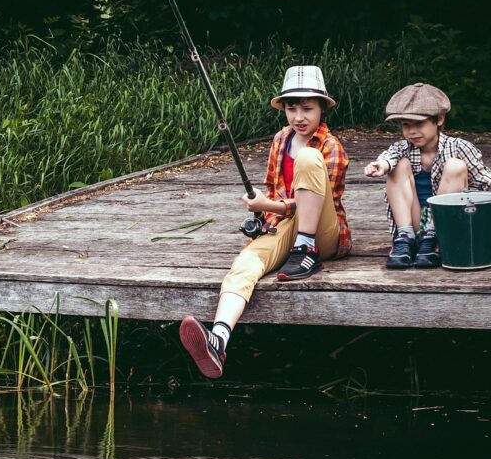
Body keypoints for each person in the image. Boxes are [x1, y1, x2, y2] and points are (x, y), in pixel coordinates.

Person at [179, 65, 352, 378]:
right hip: (286, 226)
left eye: (308, 109)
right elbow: (275, 195)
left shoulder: (330, 147)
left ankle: (306, 250)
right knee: (244, 264)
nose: (299, 116)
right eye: (291, 108)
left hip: (323, 234)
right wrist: (263, 214)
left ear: (322, 109)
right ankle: (219, 339)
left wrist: (269, 204)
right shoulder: (280, 140)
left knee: (307, 159)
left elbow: (311, 199)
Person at [364, 82, 491, 269]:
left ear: (439, 119)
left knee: (455, 166)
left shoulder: (460, 147)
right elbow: (388, 157)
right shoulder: (402, 148)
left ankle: (433, 237)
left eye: (419, 124)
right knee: (398, 165)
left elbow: (484, 181)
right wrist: (381, 165)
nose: (411, 131)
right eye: (406, 125)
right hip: (414, 222)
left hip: (445, 225)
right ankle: (405, 237)